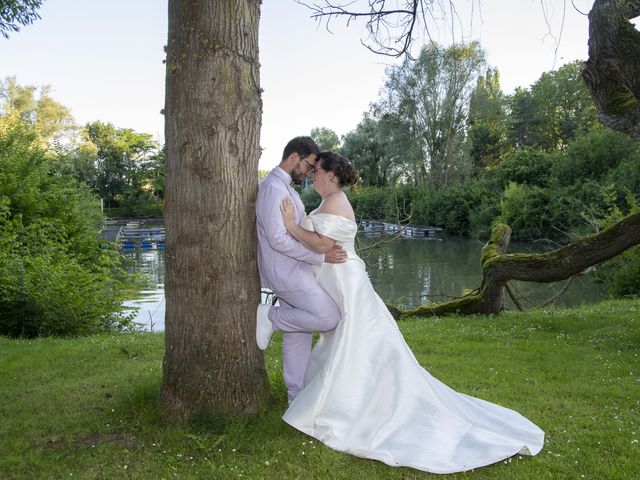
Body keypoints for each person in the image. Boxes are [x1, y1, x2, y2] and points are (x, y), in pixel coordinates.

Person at [278, 151, 545, 474]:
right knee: (345, 340)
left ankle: (352, 406)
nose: (311, 175)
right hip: (336, 281)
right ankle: (342, 399)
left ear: (331, 174)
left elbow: (321, 245)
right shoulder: (329, 201)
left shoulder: (336, 201)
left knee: (353, 342)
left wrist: (291, 225)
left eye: (316, 170)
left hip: (344, 283)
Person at [255, 136, 347, 403]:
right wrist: (320, 257)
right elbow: (277, 239)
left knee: (299, 333)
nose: (309, 173)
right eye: (308, 166)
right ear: (294, 158)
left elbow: (295, 232)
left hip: (295, 267)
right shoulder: (274, 188)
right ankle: (271, 317)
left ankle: (296, 397)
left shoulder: (287, 189)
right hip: (284, 271)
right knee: (329, 316)